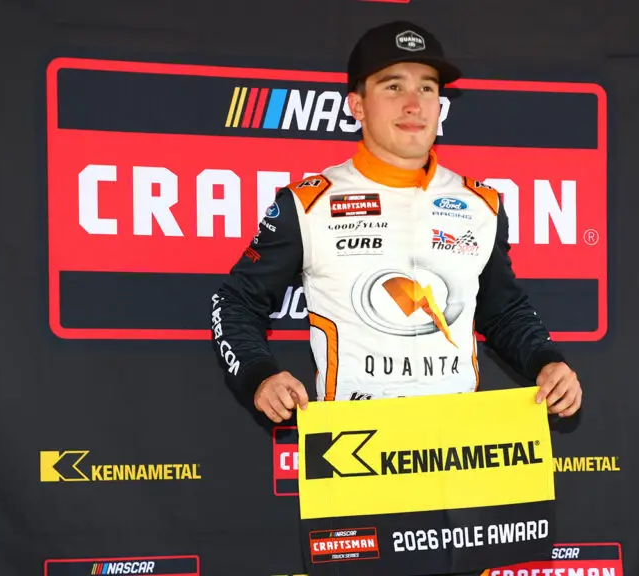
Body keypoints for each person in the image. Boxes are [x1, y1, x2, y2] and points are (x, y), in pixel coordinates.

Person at [210, 18, 581, 576]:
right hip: (359, 463)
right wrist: (260, 373)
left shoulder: (481, 204)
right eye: (393, 85)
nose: (414, 102)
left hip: (465, 462)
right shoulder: (307, 203)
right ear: (356, 105)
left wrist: (547, 361)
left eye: (427, 87)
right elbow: (234, 302)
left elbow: (503, 309)